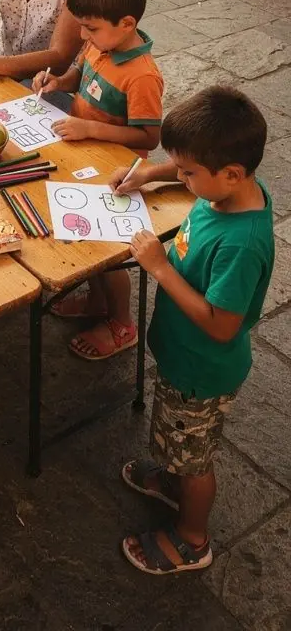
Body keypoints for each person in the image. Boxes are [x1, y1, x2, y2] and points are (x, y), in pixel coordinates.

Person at [113, 86, 273, 575]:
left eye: (187, 172)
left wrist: (160, 268)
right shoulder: (226, 190)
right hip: (184, 356)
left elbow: (223, 326)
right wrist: (150, 175)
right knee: (177, 438)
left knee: (196, 456)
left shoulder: (243, 242)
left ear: (230, 174)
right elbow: (189, 176)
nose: (181, 177)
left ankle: (192, 538)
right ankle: (170, 477)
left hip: (202, 369)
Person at [31, 0, 163, 361]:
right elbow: (79, 72)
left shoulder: (141, 77)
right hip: (83, 155)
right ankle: (95, 303)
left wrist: (92, 130)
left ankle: (122, 323)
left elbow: (149, 137)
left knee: (108, 255)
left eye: (90, 29)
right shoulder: (100, 44)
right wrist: (57, 81)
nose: (83, 36)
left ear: (126, 23)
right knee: (85, 241)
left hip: (117, 173)